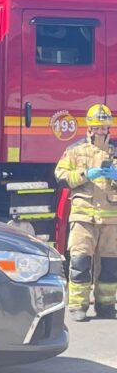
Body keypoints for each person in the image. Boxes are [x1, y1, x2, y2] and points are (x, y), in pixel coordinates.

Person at [54, 103, 117, 322]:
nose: (100, 131)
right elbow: (60, 177)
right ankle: (78, 306)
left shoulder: (115, 150)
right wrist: (84, 174)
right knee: (80, 263)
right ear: (89, 127)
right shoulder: (75, 150)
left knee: (110, 267)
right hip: (83, 217)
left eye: (104, 127)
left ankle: (106, 306)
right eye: (97, 127)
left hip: (111, 219)